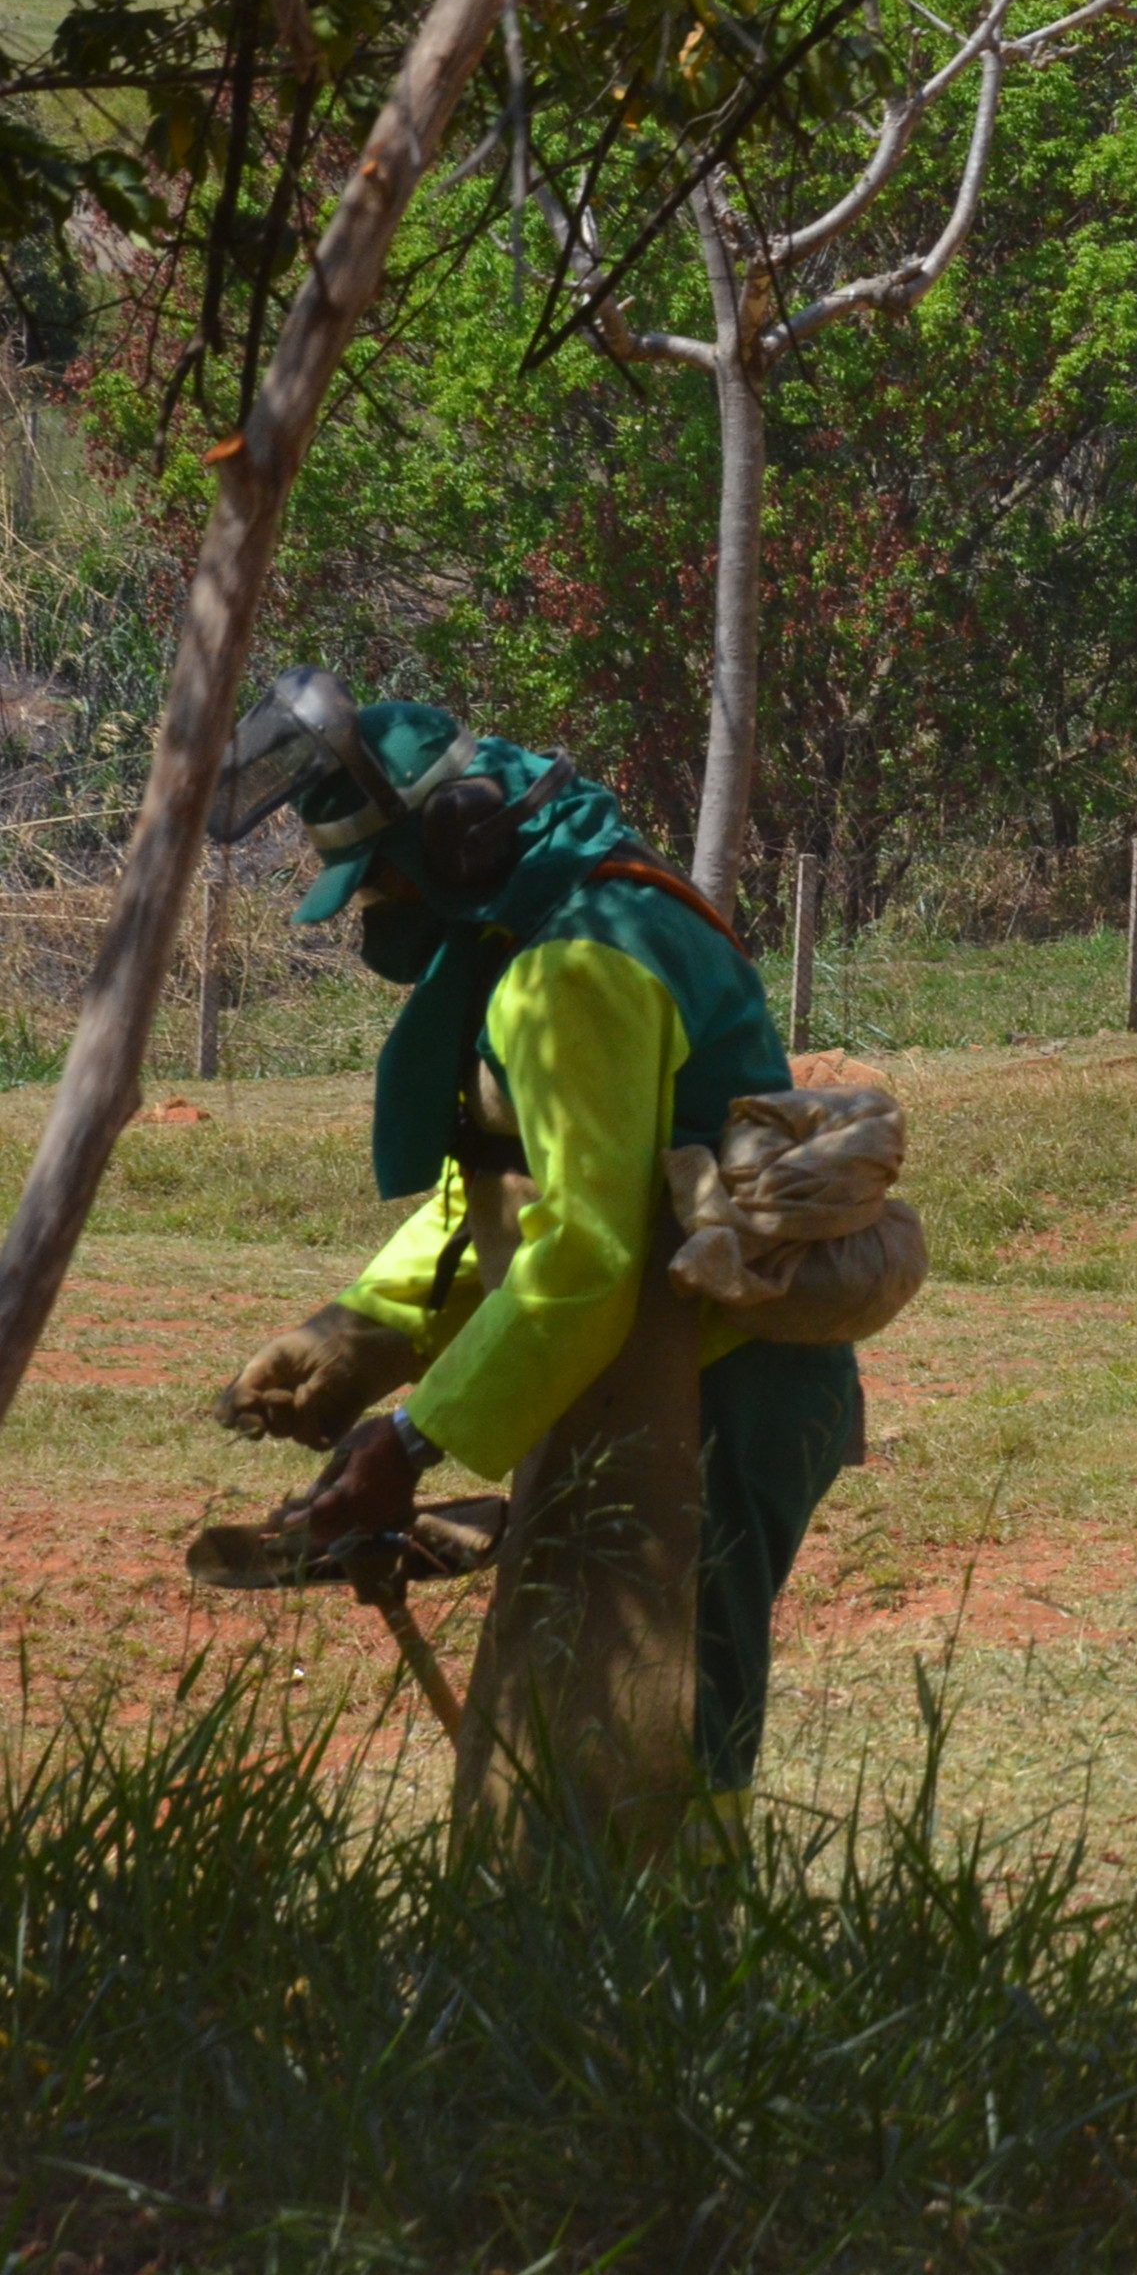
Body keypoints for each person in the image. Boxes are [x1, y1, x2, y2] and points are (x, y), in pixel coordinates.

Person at [208, 669, 860, 1802]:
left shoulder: (577, 966)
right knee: (585, 1713)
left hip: (718, 1389)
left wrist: (409, 1442)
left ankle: (674, 1965)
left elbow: (588, 1253)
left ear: (458, 841)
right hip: (650, 1373)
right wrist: (360, 1331)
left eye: (381, 880)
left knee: (660, 1729)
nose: (376, 912)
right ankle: (593, 1958)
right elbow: (517, 1189)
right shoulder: (549, 926)